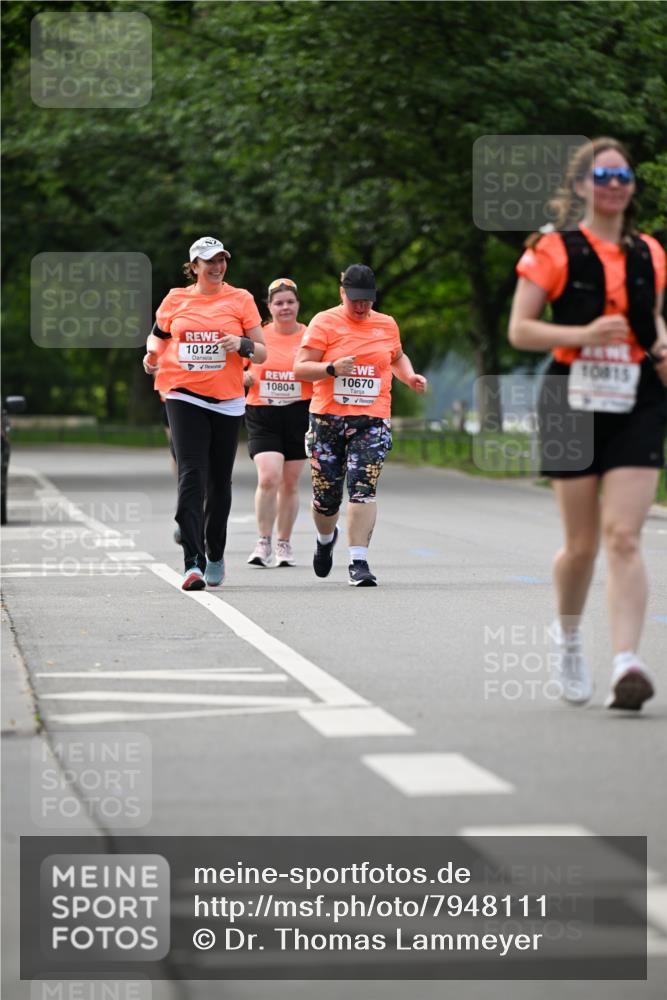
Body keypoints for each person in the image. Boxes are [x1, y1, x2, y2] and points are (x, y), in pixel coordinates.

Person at [508, 137, 667, 711]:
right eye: (603, 176)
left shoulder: (649, 250)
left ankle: (627, 659)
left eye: (624, 175)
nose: (615, 184)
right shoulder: (553, 250)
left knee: (624, 536)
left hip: (638, 397)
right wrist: (583, 335)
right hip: (570, 396)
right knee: (582, 545)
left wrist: (664, 354)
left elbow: (651, 321)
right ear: (580, 186)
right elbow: (521, 331)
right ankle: (568, 636)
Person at [143, 236, 266, 590]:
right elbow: (158, 337)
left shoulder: (240, 299)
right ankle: (192, 563)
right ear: (194, 266)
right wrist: (151, 356)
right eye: (209, 261)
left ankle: (215, 553)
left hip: (227, 399)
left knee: (219, 483)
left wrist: (239, 344)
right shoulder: (176, 299)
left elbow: (262, 353)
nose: (217, 267)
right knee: (191, 475)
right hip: (183, 394)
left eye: (222, 260)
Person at [294, 263, 427, 586]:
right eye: (355, 299)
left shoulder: (387, 324)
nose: (362, 305)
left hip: (372, 418)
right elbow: (300, 369)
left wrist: (408, 376)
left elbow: (396, 357)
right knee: (326, 499)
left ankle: (359, 562)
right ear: (342, 293)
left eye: (367, 299)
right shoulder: (324, 322)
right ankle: (325, 541)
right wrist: (330, 369)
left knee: (362, 489)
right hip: (328, 418)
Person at [243, 278, 311, 567]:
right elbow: (236, 370)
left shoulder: (311, 336)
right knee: (269, 476)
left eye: (290, 302)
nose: (285, 307)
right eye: (279, 303)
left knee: (290, 482)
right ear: (269, 307)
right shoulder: (259, 336)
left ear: (297, 304)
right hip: (263, 412)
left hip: (300, 412)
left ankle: (284, 543)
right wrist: (243, 378)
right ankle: (263, 542)